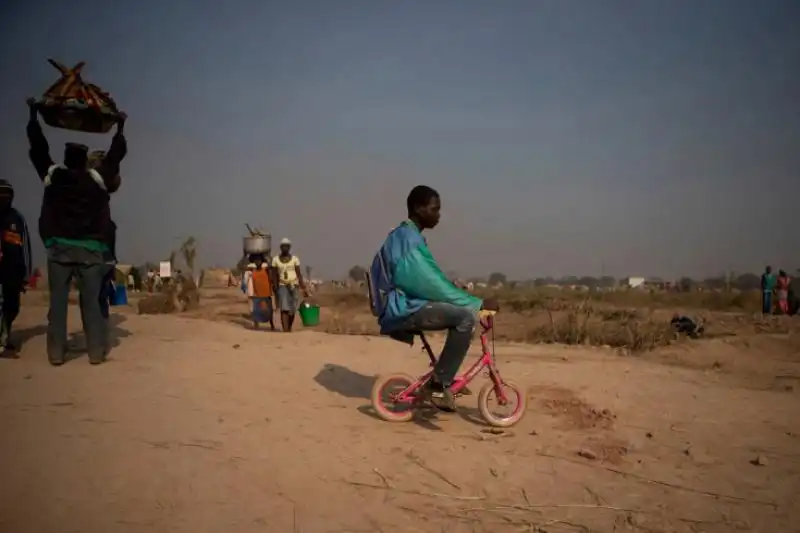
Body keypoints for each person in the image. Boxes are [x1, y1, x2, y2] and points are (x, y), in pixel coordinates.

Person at [367, 185, 499, 411]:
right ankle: (438, 385)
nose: (438, 215)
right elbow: (430, 284)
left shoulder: (406, 236)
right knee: (464, 319)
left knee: (457, 312)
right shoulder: (408, 239)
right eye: (434, 209)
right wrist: (476, 304)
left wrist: (456, 290)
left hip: (405, 304)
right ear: (419, 209)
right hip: (402, 309)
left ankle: (443, 381)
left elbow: (431, 280)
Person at [26, 98, 127, 365]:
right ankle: (95, 353)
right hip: (91, 252)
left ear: (66, 159)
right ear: (85, 161)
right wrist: (120, 129)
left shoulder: (53, 176)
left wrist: (33, 117)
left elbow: (37, 149)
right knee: (91, 303)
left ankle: (56, 353)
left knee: (57, 305)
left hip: (59, 250)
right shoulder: (96, 180)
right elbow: (116, 156)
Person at [0, 180, 32, 357]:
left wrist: (26, 275)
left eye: (7, 195)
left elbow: (25, 248)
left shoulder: (17, 219)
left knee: (12, 307)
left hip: (13, 272)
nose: (4, 198)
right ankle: (2, 343)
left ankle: (5, 335)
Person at [272, 238, 309, 332]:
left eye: (287, 246)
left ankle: (289, 327)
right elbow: (274, 274)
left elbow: (298, 273)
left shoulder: (295, 259)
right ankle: (285, 329)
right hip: (282, 285)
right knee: (284, 308)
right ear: (280, 247)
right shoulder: (276, 260)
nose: (285, 248)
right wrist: (275, 287)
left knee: (293, 309)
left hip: (294, 285)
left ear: (289, 247)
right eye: (283, 246)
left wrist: (303, 287)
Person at [242, 253, 275, 331]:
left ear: (262, 261)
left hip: (267, 293)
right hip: (257, 294)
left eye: (259, 261)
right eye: (256, 261)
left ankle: (272, 325)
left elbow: (271, 268)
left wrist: (267, 259)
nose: (258, 262)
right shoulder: (253, 272)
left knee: (269, 310)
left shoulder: (266, 270)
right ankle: (256, 325)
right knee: (256, 310)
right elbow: (242, 267)